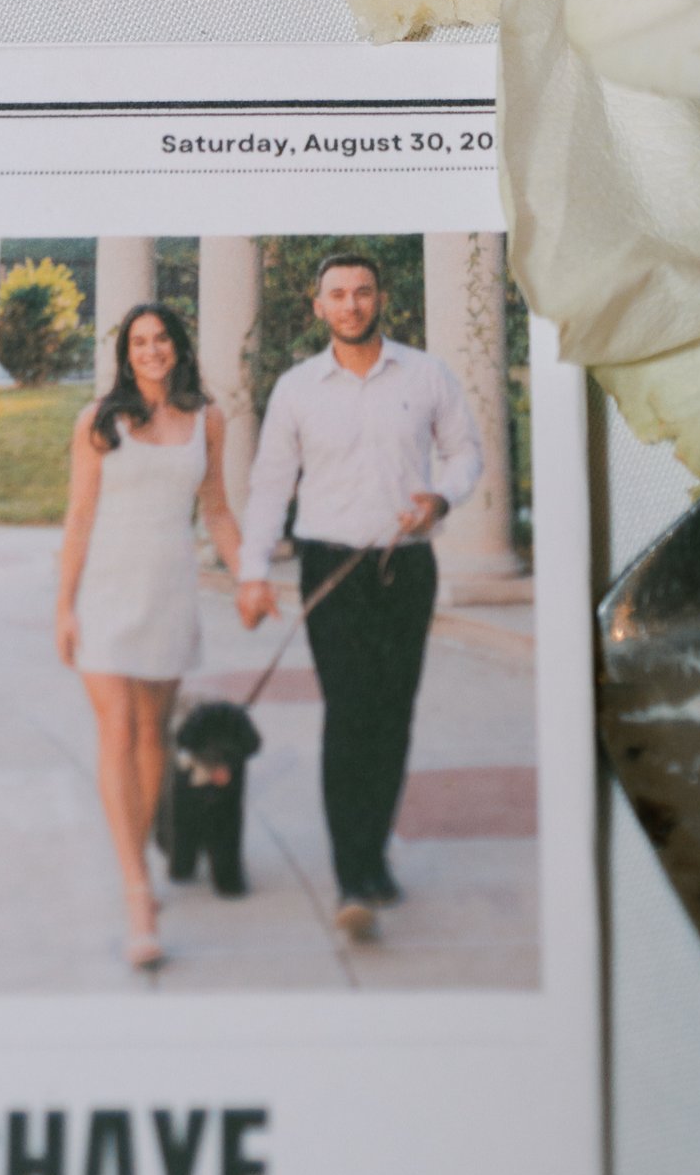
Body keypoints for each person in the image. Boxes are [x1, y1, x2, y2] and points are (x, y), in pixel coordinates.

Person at [236, 252, 484, 940]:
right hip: (331, 568)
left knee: (392, 712)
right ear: (319, 306)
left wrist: (443, 495)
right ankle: (352, 874)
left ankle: (373, 855)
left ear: (382, 298)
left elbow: (466, 452)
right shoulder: (296, 389)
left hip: (407, 568)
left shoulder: (427, 375)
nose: (351, 304)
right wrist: (254, 570)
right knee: (349, 711)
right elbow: (268, 484)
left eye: (363, 292)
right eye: (337, 294)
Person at [55, 301, 245, 971]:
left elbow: (217, 508)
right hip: (105, 590)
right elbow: (78, 517)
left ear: (177, 346)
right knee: (118, 732)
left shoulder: (207, 419)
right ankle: (139, 892)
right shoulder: (99, 421)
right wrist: (64, 605)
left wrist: (250, 574)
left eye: (161, 338)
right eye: (139, 341)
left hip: (168, 593)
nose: (152, 350)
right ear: (126, 353)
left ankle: (133, 864)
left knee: (152, 733)